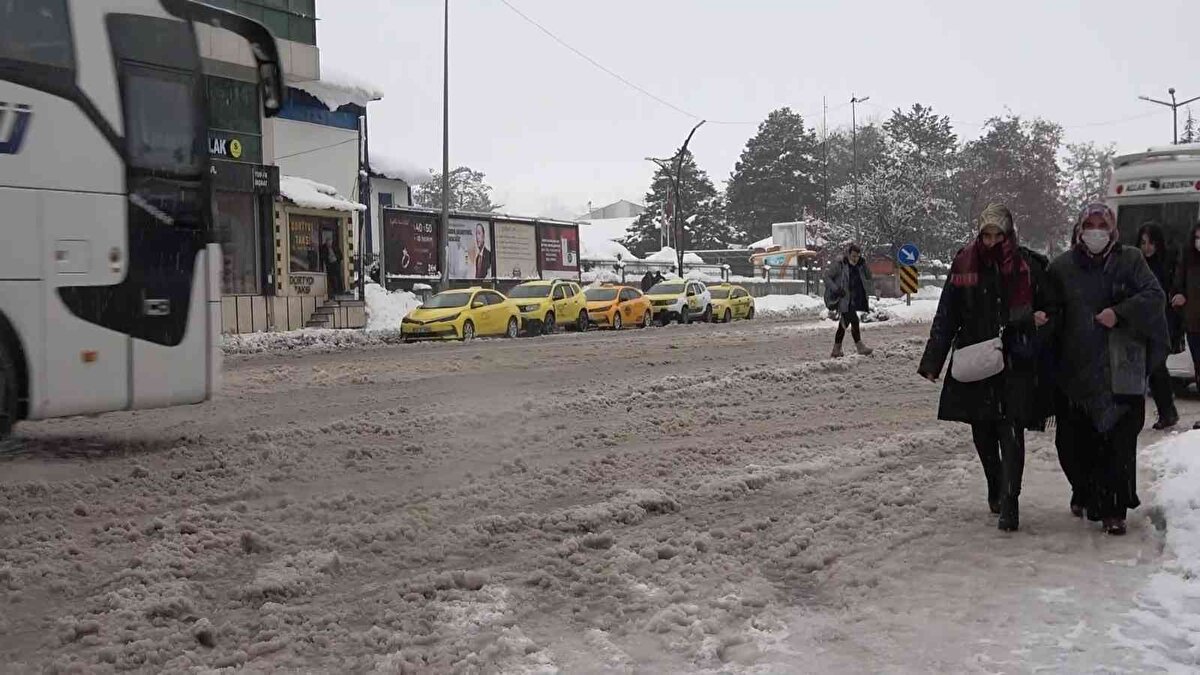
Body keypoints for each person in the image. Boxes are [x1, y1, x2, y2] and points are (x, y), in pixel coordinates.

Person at [917, 204, 1054, 532]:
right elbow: (947, 312)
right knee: (982, 432)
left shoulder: (1029, 266)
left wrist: (1034, 324)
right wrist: (933, 360)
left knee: (1011, 429)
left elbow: (1051, 309)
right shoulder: (964, 262)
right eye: (986, 234)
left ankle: (1010, 500)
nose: (992, 241)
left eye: (998, 234)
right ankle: (995, 483)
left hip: (1015, 360)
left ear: (1009, 234)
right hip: (975, 358)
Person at [1050, 203, 1168, 536]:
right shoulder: (1062, 268)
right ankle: (1086, 492)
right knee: (1074, 446)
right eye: (1090, 223)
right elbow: (1047, 305)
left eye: (1102, 224)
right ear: (1079, 229)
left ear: (1113, 229)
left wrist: (1120, 312)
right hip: (1076, 370)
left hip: (1121, 368)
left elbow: (1154, 296)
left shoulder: (1130, 260)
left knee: (1117, 444)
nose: (1096, 230)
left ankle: (1114, 509)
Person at [1138, 222, 1180, 429]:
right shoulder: (1136, 265)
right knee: (1153, 369)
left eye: (1151, 243)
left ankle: (1167, 411)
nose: (1147, 248)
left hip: (1162, 324)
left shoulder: (1165, 266)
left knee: (1157, 368)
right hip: (1142, 324)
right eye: (1143, 243)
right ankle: (1166, 410)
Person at [1171, 220, 1200, 429]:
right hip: (1194, 324)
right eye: (1197, 237)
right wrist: (1178, 295)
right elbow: (1177, 285)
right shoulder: (1189, 261)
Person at [823, 243, 874, 358]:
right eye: (853, 256)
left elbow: (869, 277)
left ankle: (836, 349)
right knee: (854, 320)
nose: (855, 259)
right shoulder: (840, 264)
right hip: (843, 298)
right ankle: (859, 346)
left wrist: (864, 264)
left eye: (857, 256)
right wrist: (836, 289)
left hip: (853, 299)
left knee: (844, 323)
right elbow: (827, 277)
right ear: (849, 254)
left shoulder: (860, 265)